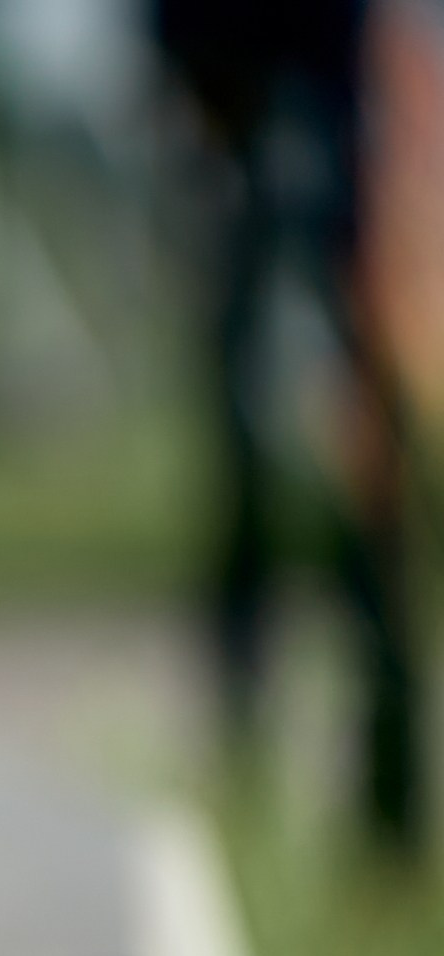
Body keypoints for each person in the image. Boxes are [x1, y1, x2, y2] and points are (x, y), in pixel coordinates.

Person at [152, 0, 425, 850]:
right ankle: (242, 756)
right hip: (246, 118)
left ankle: (389, 799)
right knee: (245, 465)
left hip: (347, 128)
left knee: (370, 484)